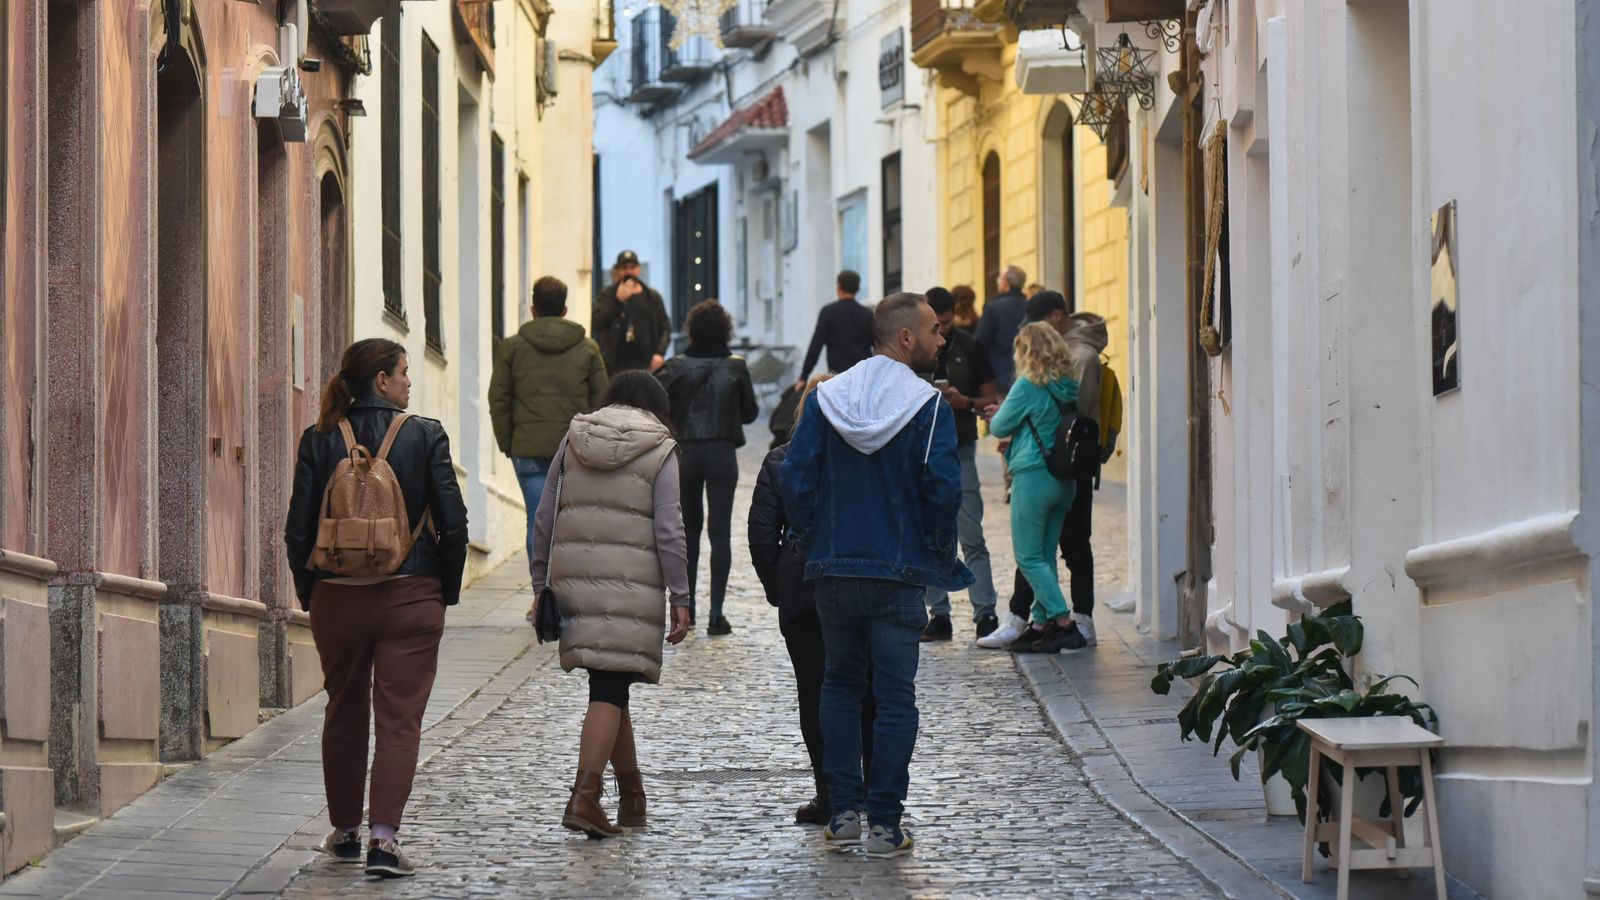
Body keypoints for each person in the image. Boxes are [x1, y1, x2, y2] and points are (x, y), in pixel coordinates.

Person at [779, 292, 972, 859]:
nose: (943, 340)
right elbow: (943, 488)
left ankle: (843, 815)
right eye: (935, 331)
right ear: (906, 337)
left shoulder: (827, 399)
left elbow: (795, 476)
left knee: (838, 686)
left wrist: (812, 534)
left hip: (835, 568)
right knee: (894, 698)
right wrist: (936, 547)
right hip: (899, 568)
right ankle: (887, 822)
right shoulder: (929, 406)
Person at [285, 338, 470, 879]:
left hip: (336, 597)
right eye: (404, 373)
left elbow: (298, 530)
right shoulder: (425, 433)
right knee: (399, 722)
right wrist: (444, 590)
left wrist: (312, 592)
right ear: (382, 382)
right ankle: (383, 842)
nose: (410, 382)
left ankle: (344, 833)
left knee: (342, 711)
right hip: (410, 597)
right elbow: (453, 522)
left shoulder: (318, 439)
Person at [529, 371, 692, 840]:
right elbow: (669, 529)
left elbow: (545, 514)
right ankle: (584, 797)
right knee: (609, 689)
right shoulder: (661, 448)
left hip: (576, 586)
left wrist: (541, 582)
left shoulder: (574, 436)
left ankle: (632, 796)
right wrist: (680, 595)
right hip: (629, 588)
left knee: (609, 686)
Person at [748, 374, 875, 827]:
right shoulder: (869, 457)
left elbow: (762, 536)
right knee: (868, 691)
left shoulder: (781, 461)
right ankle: (870, 792)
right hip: (862, 587)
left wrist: (779, 588)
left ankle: (831, 795)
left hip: (803, 593)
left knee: (816, 692)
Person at [979, 294, 1104, 650]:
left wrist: (996, 416)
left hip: (1034, 477)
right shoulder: (1065, 383)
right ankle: (1039, 624)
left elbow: (1001, 425)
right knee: (1045, 555)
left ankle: (1063, 622)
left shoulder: (1027, 384)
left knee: (1029, 556)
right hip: (1063, 480)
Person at [488, 275, 609, 565]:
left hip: (527, 450)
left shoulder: (513, 347)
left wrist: (510, 444)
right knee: (570, 524)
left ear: (533, 309)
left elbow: (499, 399)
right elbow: (602, 400)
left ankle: (539, 596)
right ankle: (565, 592)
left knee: (537, 521)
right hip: (574, 449)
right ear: (565, 310)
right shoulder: (588, 348)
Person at [656, 300, 759, 635]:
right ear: (725, 329)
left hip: (685, 454)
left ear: (692, 329)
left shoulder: (676, 365)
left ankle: (690, 609)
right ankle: (717, 613)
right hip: (722, 454)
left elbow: (657, 402)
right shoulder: (735, 365)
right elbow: (750, 414)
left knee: (688, 532)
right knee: (720, 534)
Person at [920, 288, 1000, 642]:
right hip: (922, 451)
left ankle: (985, 613)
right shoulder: (914, 350)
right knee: (929, 536)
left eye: (948, 323)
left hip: (961, 448)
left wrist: (963, 401)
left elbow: (990, 398)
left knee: (971, 535)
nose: (944, 332)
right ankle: (939, 616)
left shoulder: (970, 346)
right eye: (937, 325)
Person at [593, 250, 672, 374]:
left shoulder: (652, 296)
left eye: (632, 267)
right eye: (624, 268)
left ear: (638, 269)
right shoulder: (607, 295)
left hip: (647, 365)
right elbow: (596, 322)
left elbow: (665, 327)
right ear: (618, 270)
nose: (629, 271)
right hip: (615, 367)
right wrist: (617, 301)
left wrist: (660, 353)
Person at [794, 270, 874, 386]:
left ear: (839, 286)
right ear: (857, 289)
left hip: (837, 378)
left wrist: (804, 376)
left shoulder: (828, 312)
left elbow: (815, 347)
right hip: (863, 378)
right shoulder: (867, 314)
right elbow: (877, 345)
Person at [973, 264, 1029, 394]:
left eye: (999, 280)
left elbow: (979, 343)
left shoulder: (993, 308)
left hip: (1001, 379)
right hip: (1029, 378)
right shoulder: (1031, 306)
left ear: (1005, 284)